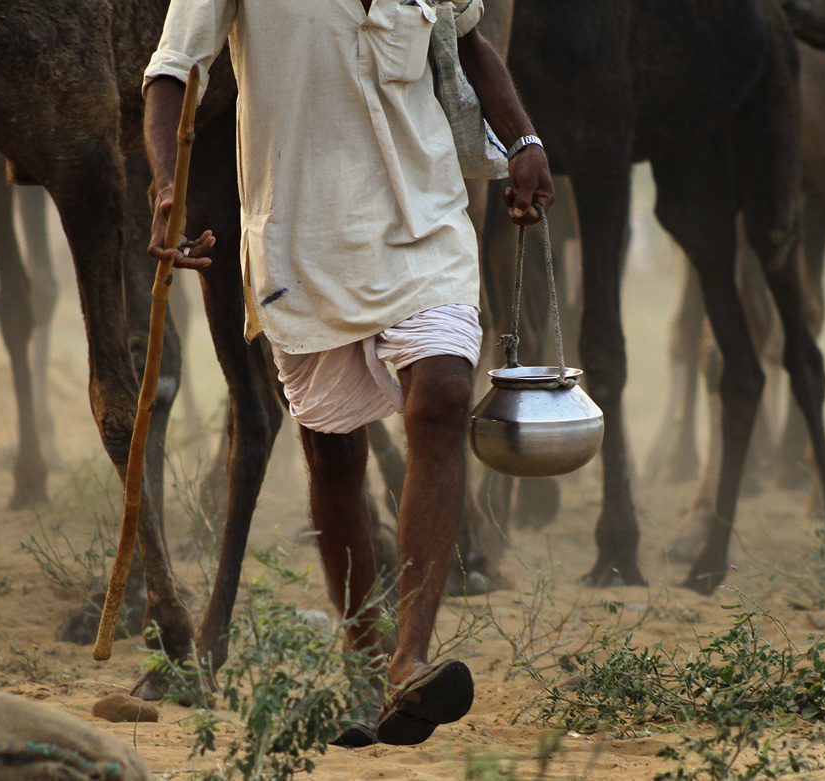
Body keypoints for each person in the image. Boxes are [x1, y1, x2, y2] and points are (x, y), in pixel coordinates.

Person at [144, 0, 553, 747]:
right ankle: (362, 656)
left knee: (444, 395)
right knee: (333, 451)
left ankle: (410, 655)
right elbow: (173, 73)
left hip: (425, 216)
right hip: (300, 237)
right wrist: (167, 188)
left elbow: (468, 46)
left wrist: (523, 137)